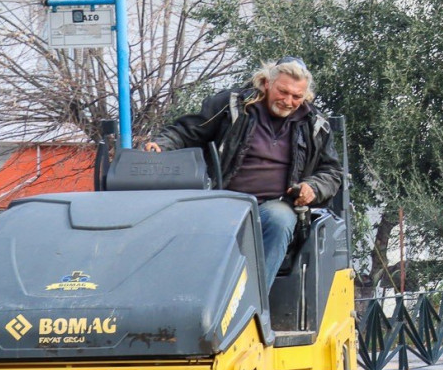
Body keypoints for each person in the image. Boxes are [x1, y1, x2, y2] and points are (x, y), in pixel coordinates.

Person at [145, 58, 342, 280]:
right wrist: (161, 146)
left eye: (297, 96)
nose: (288, 101)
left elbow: (332, 172)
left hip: (274, 206)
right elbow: (185, 131)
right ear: (267, 83)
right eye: (283, 92)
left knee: (280, 220)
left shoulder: (315, 124)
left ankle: (253, 298)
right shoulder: (232, 106)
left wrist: (313, 187)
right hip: (222, 200)